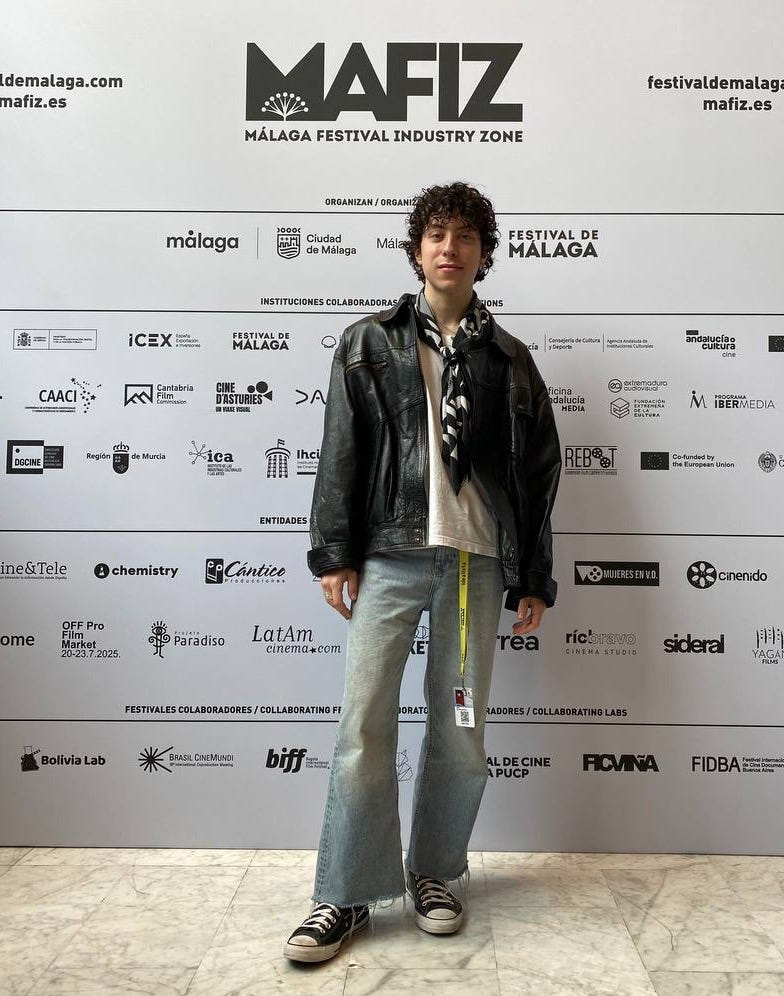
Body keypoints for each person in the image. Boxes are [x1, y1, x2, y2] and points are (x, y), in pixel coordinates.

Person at [284, 181, 561, 963]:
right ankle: (345, 894)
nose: (450, 247)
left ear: (483, 254)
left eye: (465, 236)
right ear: (416, 250)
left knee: (461, 732)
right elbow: (342, 449)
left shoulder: (510, 360)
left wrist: (533, 575)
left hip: (476, 566)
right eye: (436, 234)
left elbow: (538, 473)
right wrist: (334, 552)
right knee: (363, 725)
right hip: (390, 556)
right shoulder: (368, 343)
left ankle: (435, 873)